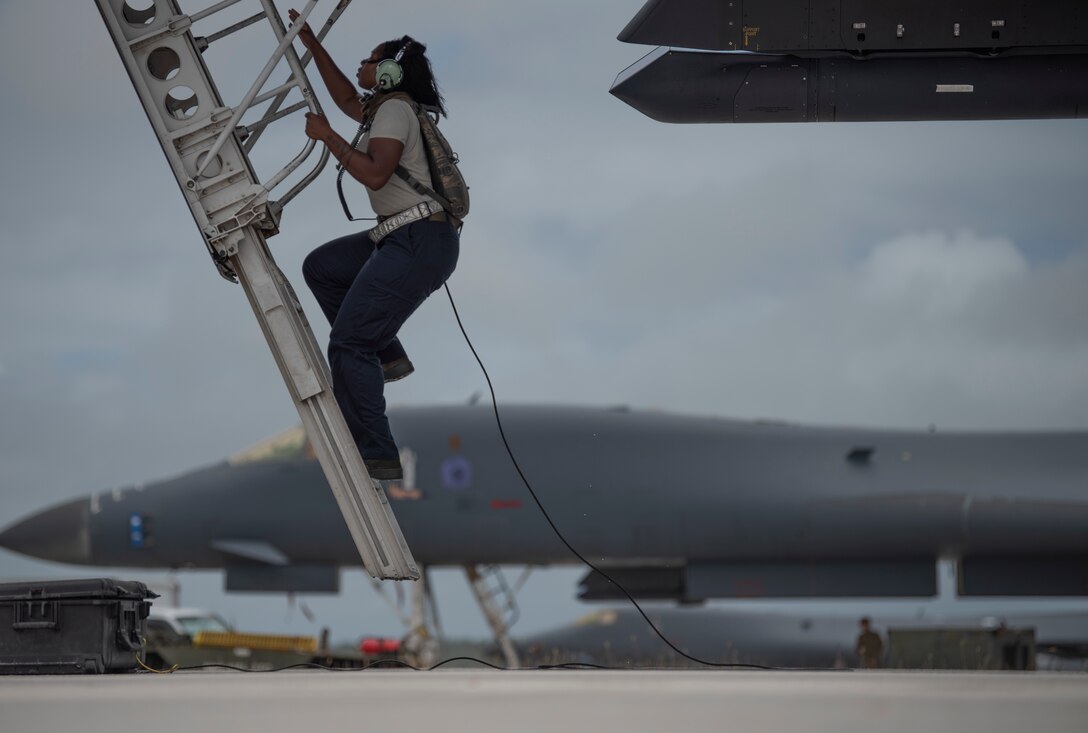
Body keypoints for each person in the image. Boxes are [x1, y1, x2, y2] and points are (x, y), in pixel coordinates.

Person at [289, 9, 459, 480]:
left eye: (369, 60)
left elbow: (375, 171)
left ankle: (376, 450)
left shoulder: (394, 110)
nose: (362, 66)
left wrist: (328, 138)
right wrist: (311, 45)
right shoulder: (386, 108)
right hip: (402, 235)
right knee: (323, 268)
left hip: (418, 239)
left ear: (388, 73)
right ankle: (388, 354)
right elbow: (344, 96)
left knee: (348, 342)